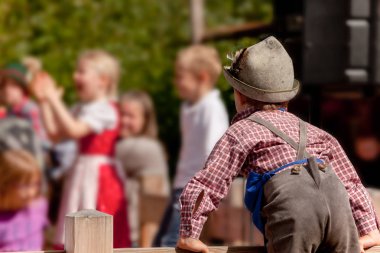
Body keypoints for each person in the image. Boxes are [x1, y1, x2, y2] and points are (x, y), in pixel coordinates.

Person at [176, 37, 380, 253]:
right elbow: (351, 184)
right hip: (339, 208)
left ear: (240, 95)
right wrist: (369, 230)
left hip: (296, 210)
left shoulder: (242, 131)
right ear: (287, 99)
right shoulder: (318, 134)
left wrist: (189, 234)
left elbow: (208, 183)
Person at [30, 50, 131, 248]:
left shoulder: (105, 108)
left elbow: (74, 130)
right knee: (74, 223)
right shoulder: (82, 107)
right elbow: (54, 133)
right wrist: (44, 102)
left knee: (96, 223)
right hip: (82, 171)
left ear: (102, 80)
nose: (75, 76)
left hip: (99, 176)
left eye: (82, 72)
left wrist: (53, 99)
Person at [153, 45, 229, 247]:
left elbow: (214, 153)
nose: (176, 82)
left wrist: (205, 193)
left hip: (193, 189)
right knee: (160, 242)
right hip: (181, 185)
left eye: (180, 77)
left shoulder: (211, 108)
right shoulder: (189, 107)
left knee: (170, 243)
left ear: (201, 77)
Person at [116, 90, 169, 247]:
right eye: (121, 115)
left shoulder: (143, 147)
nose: (124, 121)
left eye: (130, 116)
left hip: (136, 237)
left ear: (145, 120)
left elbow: (101, 157)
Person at [0, 123, 48, 251]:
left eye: (35, 184)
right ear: (4, 185)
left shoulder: (38, 206)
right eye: (25, 186)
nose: (32, 192)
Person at [0, 59, 47, 146]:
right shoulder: (10, 111)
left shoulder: (29, 109)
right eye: (4, 86)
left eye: (14, 85)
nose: (7, 90)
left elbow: (39, 140)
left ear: (23, 89)